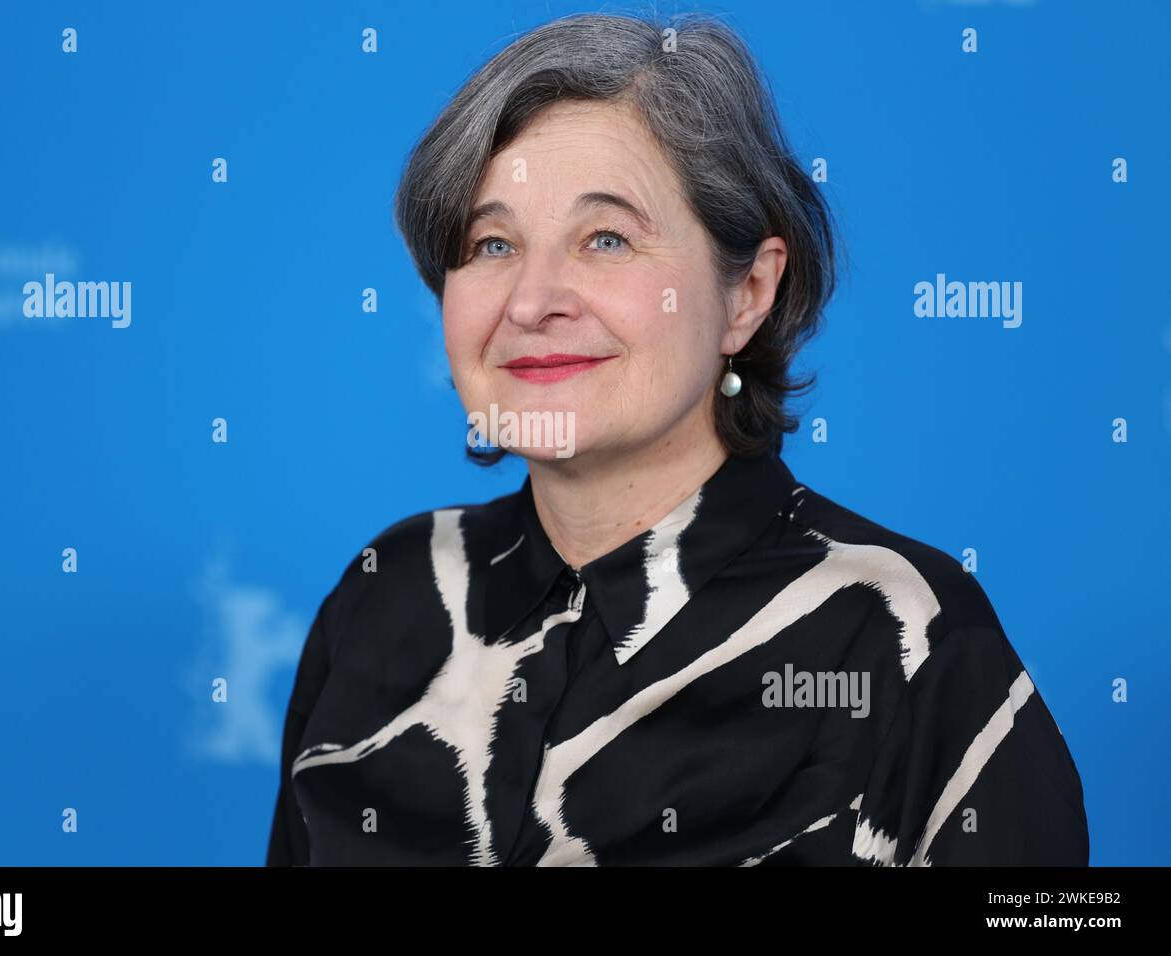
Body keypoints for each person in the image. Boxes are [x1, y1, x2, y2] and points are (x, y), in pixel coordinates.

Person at [267, 11, 1088, 866]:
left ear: (748, 294)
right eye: (492, 243)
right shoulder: (385, 597)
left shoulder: (903, 635)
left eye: (607, 238)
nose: (531, 299)